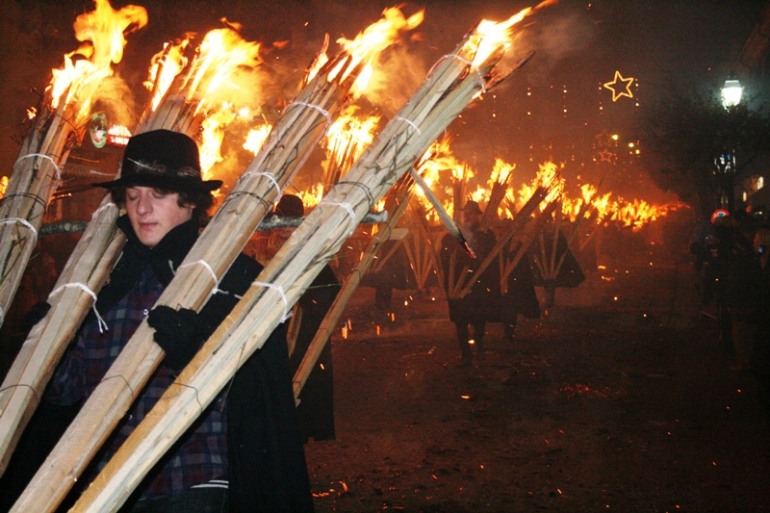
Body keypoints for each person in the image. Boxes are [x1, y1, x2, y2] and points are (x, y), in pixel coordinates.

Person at [31, 129, 312, 513]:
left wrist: (198, 352)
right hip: (106, 487)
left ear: (191, 200)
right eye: (133, 196)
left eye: (157, 195)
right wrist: (45, 346)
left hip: (191, 482)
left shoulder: (229, 277)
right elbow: (68, 391)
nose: (142, 209)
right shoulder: (105, 282)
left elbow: (257, 392)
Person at [268, 194, 340, 443]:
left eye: (291, 223)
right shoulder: (267, 252)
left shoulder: (313, 254)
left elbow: (330, 290)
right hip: (273, 338)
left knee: (302, 399)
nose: (285, 230)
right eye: (281, 223)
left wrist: (304, 301)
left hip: (302, 337)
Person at [439, 200, 499, 367]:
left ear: (478, 216)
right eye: (466, 213)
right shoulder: (453, 235)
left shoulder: (486, 235)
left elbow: (489, 256)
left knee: (479, 320)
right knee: (460, 320)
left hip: (477, 283)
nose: (468, 216)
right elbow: (444, 254)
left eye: (472, 213)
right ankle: (466, 354)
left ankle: (480, 349)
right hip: (457, 283)